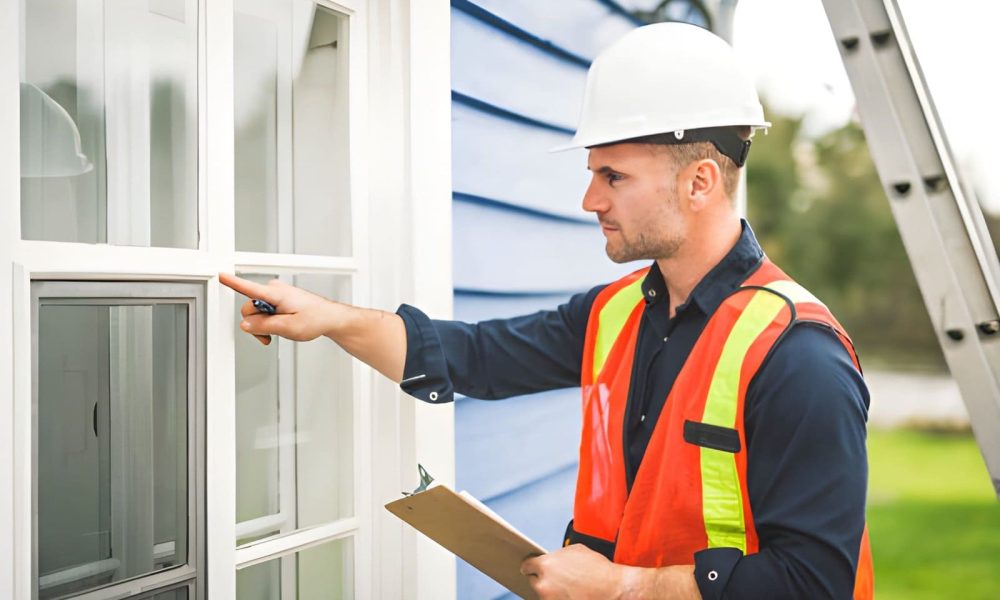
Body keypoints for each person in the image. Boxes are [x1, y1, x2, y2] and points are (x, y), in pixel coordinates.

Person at [221, 22, 873, 600]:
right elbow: (473, 356)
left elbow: (814, 583)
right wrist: (331, 318)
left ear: (699, 181)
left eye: (613, 176)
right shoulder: (615, 313)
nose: (590, 199)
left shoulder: (799, 355)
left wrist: (622, 588)